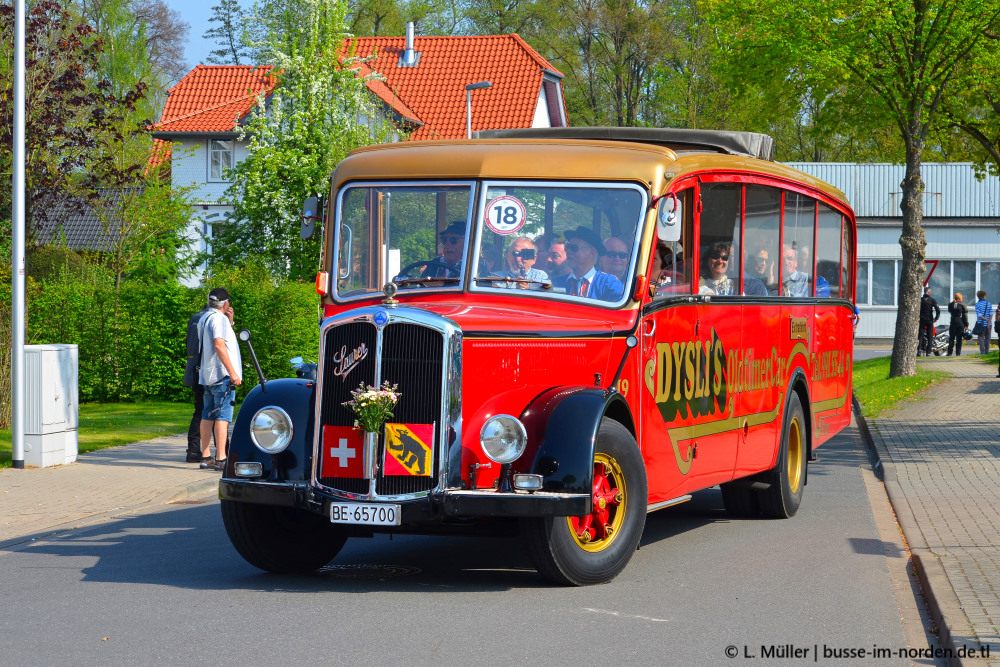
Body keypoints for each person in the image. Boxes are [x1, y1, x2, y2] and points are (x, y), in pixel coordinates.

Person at [198, 288, 242, 472]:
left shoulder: (204, 318)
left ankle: (206, 456)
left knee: (207, 415)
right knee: (223, 417)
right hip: (222, 375)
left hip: (207, 375)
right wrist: (232, 372)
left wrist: (229, 322)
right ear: (225, 303)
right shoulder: (219, 319)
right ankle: (221, 458)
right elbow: (218, 344)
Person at [551, 226, 624, 302]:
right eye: (567, 247)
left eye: (574, 248)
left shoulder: (609, 284)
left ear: (592, 253)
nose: (568, 251)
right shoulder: (557, 282)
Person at [183, 296, 214, 463]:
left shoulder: (195, 318)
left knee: (199, 410)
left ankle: (193, 450)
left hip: (194, 370)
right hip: (210, 372)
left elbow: (188, 343)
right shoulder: (213, 319)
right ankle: (224, 451)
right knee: (216, 412)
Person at [698, 241, 767, 296]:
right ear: (707, 260)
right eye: (715, 256)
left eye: (725, 258)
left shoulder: (736, 285)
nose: (720, 261)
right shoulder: (699, 283)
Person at [918, 287, 940, 356]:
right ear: (929, 292)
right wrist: (936, 318)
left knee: (920, 335)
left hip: (921, 319)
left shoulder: (920, 300)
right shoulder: (932, 300)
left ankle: (919, 350)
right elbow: (938, 310)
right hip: (929, 319)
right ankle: (928, 352)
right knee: (930, 335)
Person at [947, 292, 968, 356]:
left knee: (951, 338)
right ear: (960, 298)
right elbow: (965, 316)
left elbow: (950, 311)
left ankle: (949, 352)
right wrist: (966, 325)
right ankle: (958, 353)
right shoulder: (963, 305)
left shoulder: (950, 305)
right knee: (959, 339)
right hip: (960, 323)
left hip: (953, 322)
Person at [974, 290, 993, 356]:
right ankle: (987, 351)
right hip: (989, 324)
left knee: (981, 338)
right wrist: (988, 322)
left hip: (980, 324)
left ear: (978, 297)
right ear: (984, 296)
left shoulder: (977, 305)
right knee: (988, 338)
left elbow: (979, 315)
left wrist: (985, 319)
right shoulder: (989, 303)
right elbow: (991, 314)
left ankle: (982, 352)